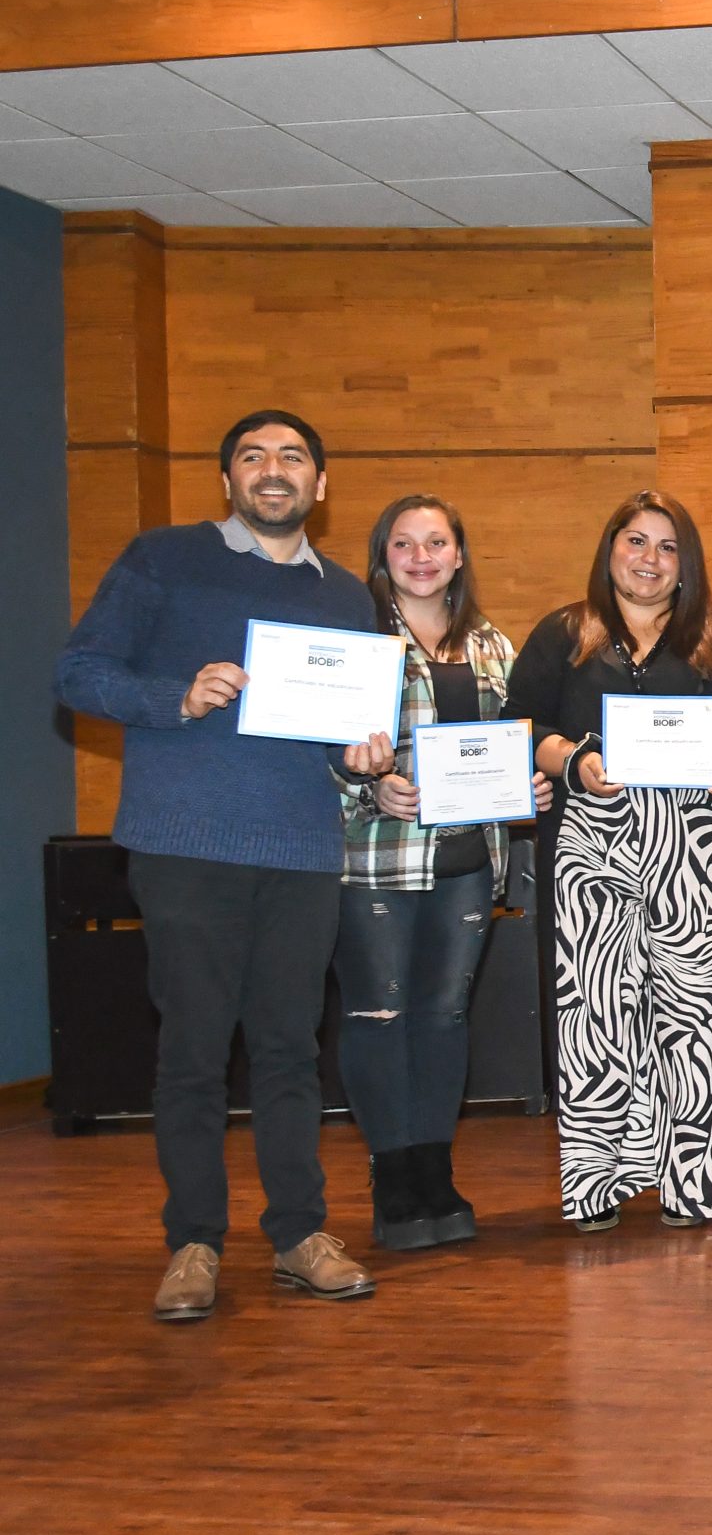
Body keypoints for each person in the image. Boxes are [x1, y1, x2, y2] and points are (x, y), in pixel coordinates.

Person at [54, 409, 385, 1318]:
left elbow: (333, 742)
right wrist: (177, 695)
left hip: (303, 851)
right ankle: (194, 1243)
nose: (273, 470)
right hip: (186, 847)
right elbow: (78, 673)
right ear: (228, 478)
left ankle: (299, 1236)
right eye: (253, 456)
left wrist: (360, 759)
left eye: (293, 457)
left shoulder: (347, 598)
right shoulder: (163, 558)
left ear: (320, 484)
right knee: (193, 1053)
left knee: (290, 1052)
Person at [504, 491, 712, 1231]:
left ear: (685, 563)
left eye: (667, 547)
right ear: (610, 549)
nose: (650, 559)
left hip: (698, 851)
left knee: (699, 1018)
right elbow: (519, 722)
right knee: (594, 1014)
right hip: (590, 848)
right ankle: (595, 1186)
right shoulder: (564, 632)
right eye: (636, 541)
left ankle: (690, 1184)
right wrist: (571, 759)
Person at [333, 494, 550, 1252]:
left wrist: (528, 785)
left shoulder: (491, 642)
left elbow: (513, 739)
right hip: (378, 859)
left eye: (436, 543)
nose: (420, 558)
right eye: (403, 544)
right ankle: (393, 1177)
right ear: (381, 556)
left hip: (468, 861)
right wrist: (370, 785)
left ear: (459, 555)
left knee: (444, 1017)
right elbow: (317, 747)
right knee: (380, 1016)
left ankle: (434, 1171)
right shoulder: (359, 641)